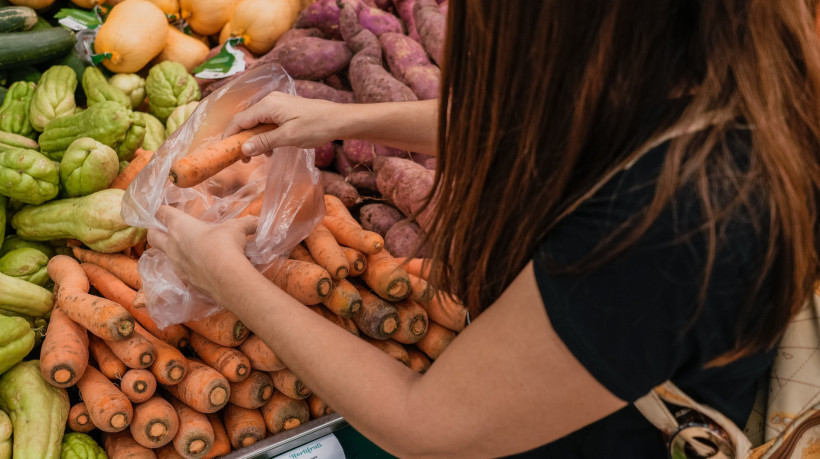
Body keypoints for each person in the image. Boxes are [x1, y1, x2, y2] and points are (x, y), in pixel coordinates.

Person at [147, 1, 820, 457]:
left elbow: (428, 425)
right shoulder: (717, 65)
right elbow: (559, 118)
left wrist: (227, 276)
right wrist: (341, 121)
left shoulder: (670, 221)